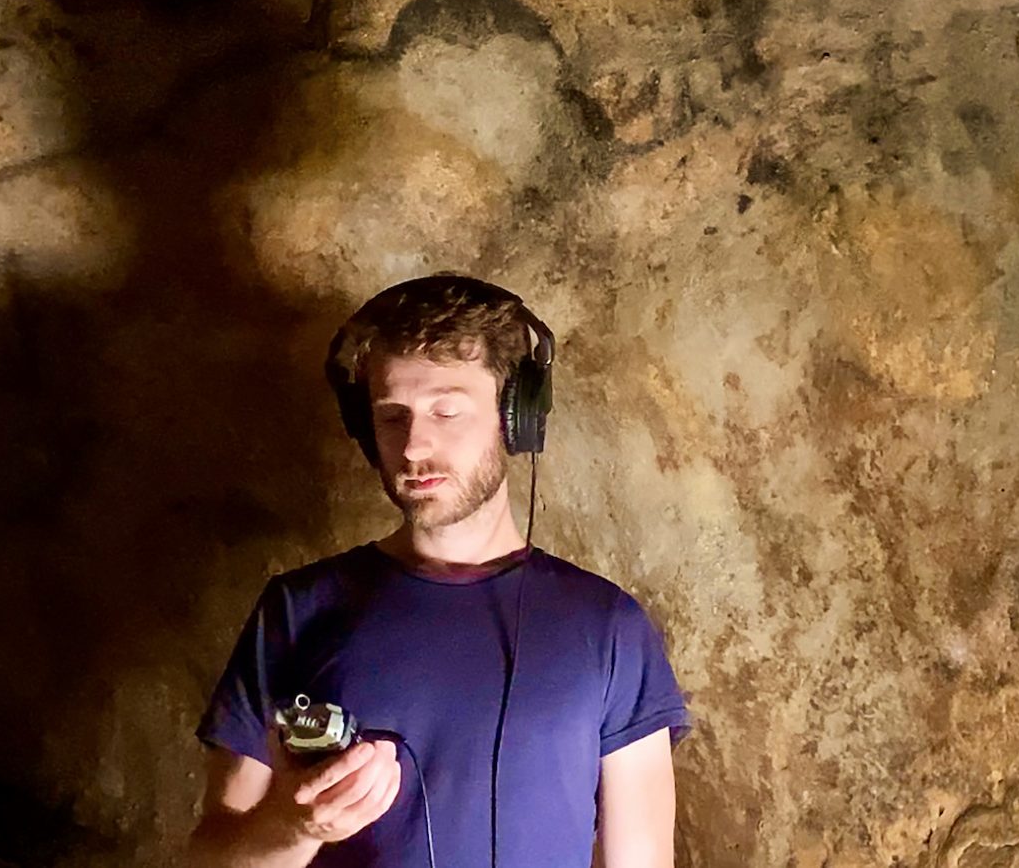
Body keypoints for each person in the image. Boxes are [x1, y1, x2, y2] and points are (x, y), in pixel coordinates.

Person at [186, 274, 689, 868]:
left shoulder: (609, 627)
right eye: (393, 416)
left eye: (446, 411)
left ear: (515, 417)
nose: (415, 445)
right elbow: (212, 857)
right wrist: (295, 828)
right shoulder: (297, 609)